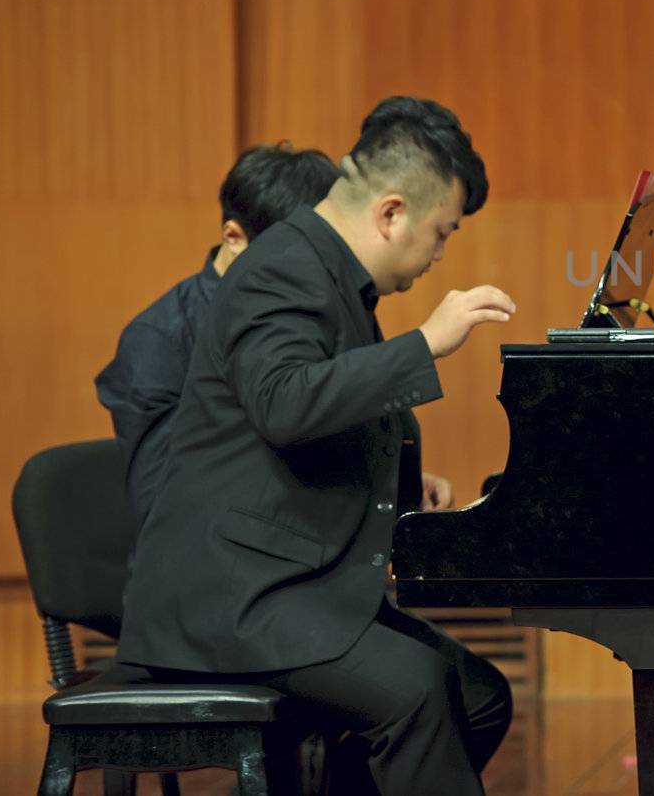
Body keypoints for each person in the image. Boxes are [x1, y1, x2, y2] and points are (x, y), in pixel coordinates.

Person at [116, 97, 517, 796]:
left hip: (284, 586)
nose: (440, 254)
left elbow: (318, 410)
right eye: (441, 232)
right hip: (230, 599)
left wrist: (400, 477)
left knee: (477, 694)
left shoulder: (326, 271)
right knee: (419, 689)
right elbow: (285, 402)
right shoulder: (282, 268)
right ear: (392, 212)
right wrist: (426, 342)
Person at [96, 143, 343, 526]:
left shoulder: (310, 313)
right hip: (205, 568)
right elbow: (163, 501)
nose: (312, 269)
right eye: (294, 252)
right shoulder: (160, 339)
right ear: (234, 237)